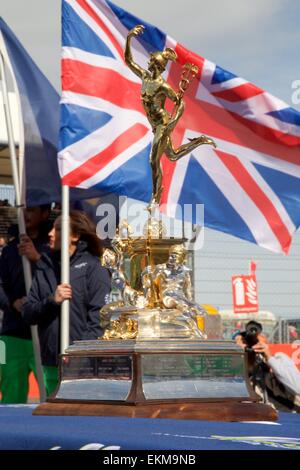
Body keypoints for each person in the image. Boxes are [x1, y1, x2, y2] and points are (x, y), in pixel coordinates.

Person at [125, 25, 216, 205]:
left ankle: (155, 196)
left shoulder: (162, 86)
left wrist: (173, 122)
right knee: (173, 155)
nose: (149, 64)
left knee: (153, 160)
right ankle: (200, 141)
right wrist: (129, 38)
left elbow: (180, 102)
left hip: (162, 124)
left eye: (152, 63)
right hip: (155, 126)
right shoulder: (145, 77)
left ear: (158, 67)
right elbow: (129, 61)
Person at [23, 210, 111, 396]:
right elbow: (29, 312)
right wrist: (52, 301)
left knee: (79, 419)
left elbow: (100, 319)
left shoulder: (94, 268)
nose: (50, 233)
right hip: (50, 362)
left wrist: (77, 355)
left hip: (82, 365)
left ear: (75, 236)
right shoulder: (45, 266)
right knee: (52, 420)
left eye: (58, 229)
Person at [0, 205, 51, 403]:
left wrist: (36, 258)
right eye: (24, 210)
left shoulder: (52, 246)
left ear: (45, 213)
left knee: (51, 392)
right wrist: (13, 303)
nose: (26, 214)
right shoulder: (10, 250)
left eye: (32, 210)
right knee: (11, 391)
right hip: (12, 334)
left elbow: (59, 281)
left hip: (44, 334)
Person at [235, 330, 300, 411]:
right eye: (244, 342)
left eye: (257, 342)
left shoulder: (279, 359)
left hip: (289, 417)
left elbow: (298, 387)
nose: (250, 346)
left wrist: (269, 358)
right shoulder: (237, 372)